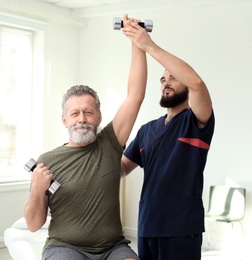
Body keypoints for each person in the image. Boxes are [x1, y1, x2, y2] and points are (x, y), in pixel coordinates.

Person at [24, 14, 147, 260]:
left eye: (88, 112)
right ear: (65, 120)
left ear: (99, 117)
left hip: (113, 247)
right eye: (75, 113)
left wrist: (137, 40)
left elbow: (135, 95)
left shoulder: (110, 143)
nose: (82, 119)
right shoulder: (47, 160)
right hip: (64, 248)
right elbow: (33, 225)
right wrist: (38, 190)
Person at [121, 20, 215, 260]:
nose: (166, 83)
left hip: (181, 228)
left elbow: (197, 83)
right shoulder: (146, 130)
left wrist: (148, 45)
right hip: (148, 225)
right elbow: (121, 168)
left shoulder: (197, 122)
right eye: (163, 80)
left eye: (173, 78)